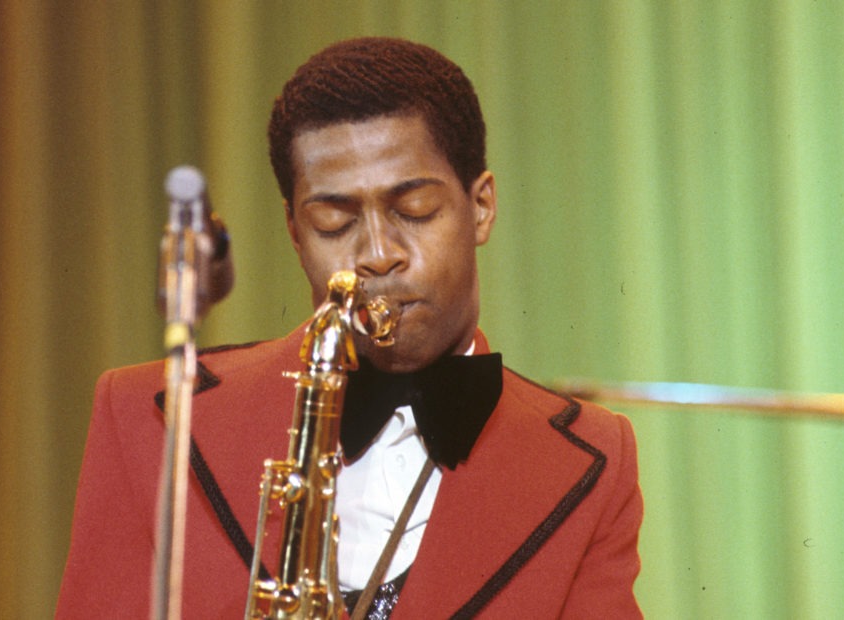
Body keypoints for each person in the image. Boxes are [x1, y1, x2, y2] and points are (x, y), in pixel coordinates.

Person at [57, 37, 642, 618]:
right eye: (334, 222)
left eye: (414, 209)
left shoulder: (595, 458)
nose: (378, 255)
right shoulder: (150, 417)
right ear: (293, 229)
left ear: (482, 206)